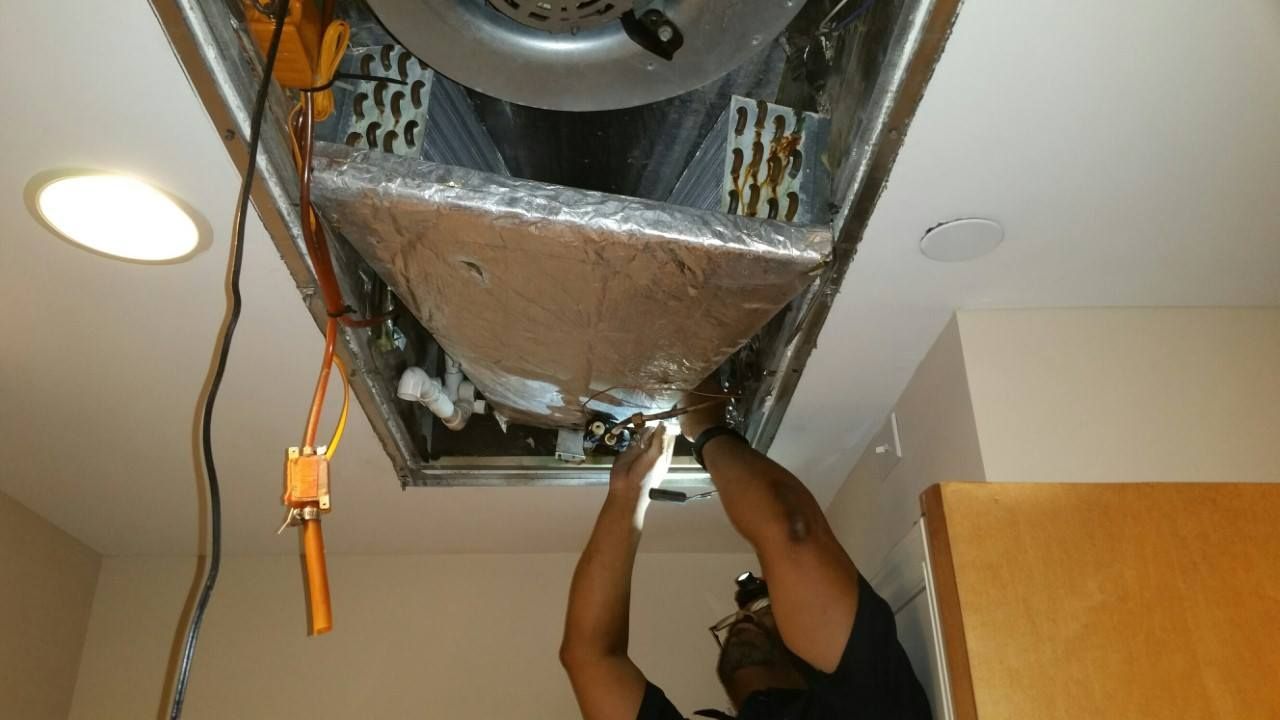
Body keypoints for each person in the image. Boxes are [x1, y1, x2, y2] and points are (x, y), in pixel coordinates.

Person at [559, 388, 932, 720]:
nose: (745, 621)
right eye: (762, 611)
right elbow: (792, 530)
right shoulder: (867, 701)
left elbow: (589, 657)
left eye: (742, 615)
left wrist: (628, 494)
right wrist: (707, 430)